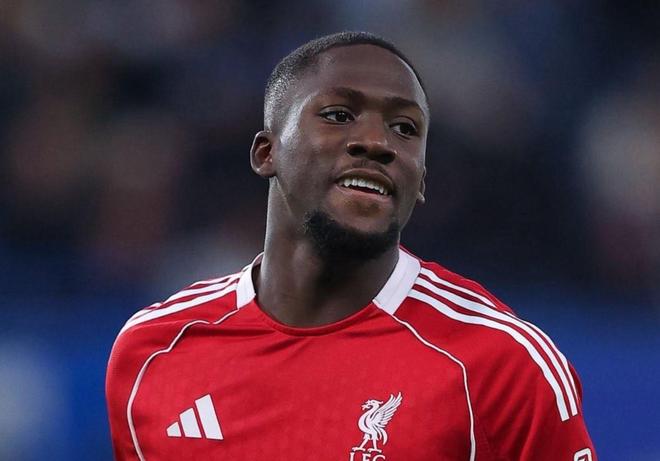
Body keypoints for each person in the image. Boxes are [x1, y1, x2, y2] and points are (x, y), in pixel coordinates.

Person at [106, 31, 597, 460]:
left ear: (421, 180)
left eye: (405, 129)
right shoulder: (153, 352)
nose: (376, 142)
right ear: (266, 152)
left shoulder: (500, 364)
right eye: (339, 115)